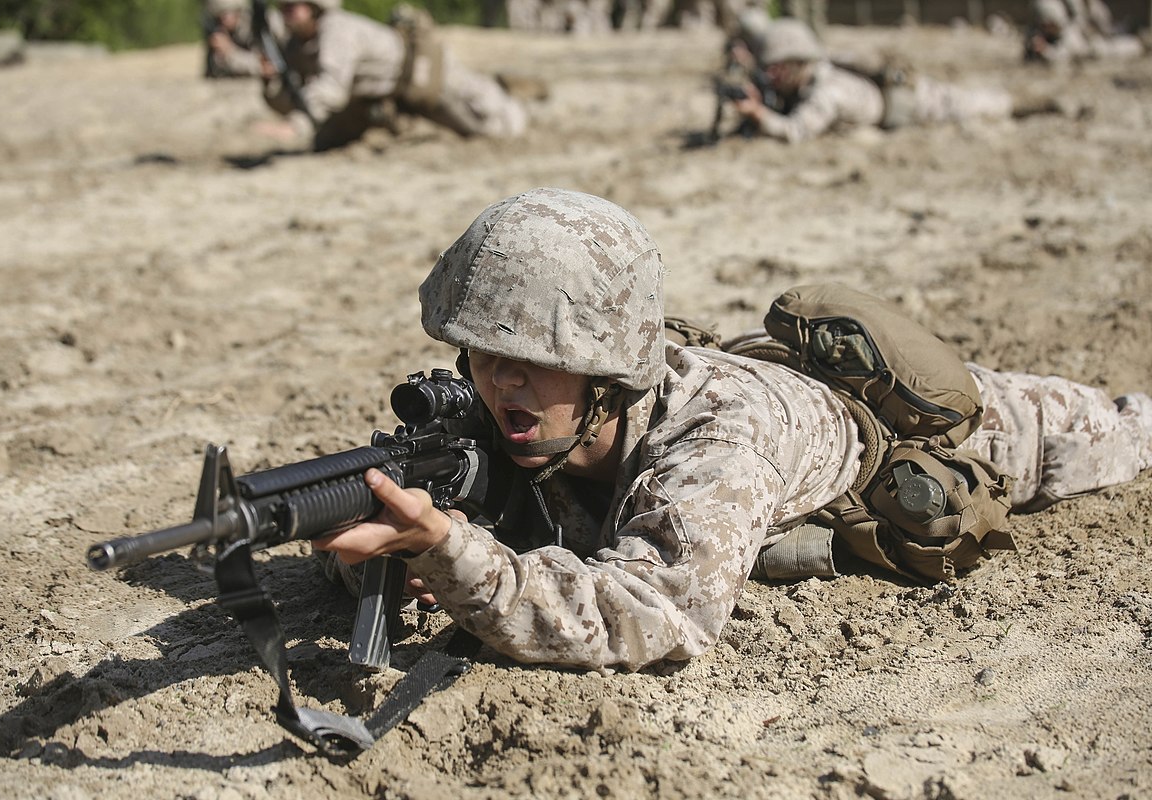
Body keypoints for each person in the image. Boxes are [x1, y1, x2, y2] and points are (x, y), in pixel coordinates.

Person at [312, 187, 1152, 672]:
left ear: (609, 370)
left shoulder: (720, 443)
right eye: (484, 354)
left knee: (1124, 432)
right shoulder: (515, 415)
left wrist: (462, 558)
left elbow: (653, 615)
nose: (501, 381)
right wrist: (389, 552)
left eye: (533, 357)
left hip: (966, 437)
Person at [257, 1, 529, 151]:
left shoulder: (336, 31)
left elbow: (331, 89)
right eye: (283, 8)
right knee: (325, 143)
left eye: (294, 6)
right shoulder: (297, 45)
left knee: (499, 124)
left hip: (424, 74)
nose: (288, 11)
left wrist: (296, 126)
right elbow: (295, 99)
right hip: (384, 96)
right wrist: (272, 83)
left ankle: (513, 92)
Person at [731, 19, 1023, 143]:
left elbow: (796, 131)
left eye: (777, 69)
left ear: (797, 62)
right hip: (892, 100)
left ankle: (1023, 104)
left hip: (915, 103)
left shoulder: (828, 93)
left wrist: (759, 113)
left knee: (979, 104)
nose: (772, 76)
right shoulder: (813, 76)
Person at [1023, 0, 1145, 65]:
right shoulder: (1038, 31)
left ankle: (1137, 42)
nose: (1045, 27)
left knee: (1105, 48)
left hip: (1092, 48)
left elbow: (1063, 56)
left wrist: (1045, 51)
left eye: (1049, 24)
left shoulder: (1069, 34)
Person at [203, 0, 270, 79]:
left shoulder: (256, 26)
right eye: (218, 16)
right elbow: (214, 71)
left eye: (225, 13)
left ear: (238, 11)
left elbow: (266, 67)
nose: (222, 19)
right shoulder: (223, 31)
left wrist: (229, 51)